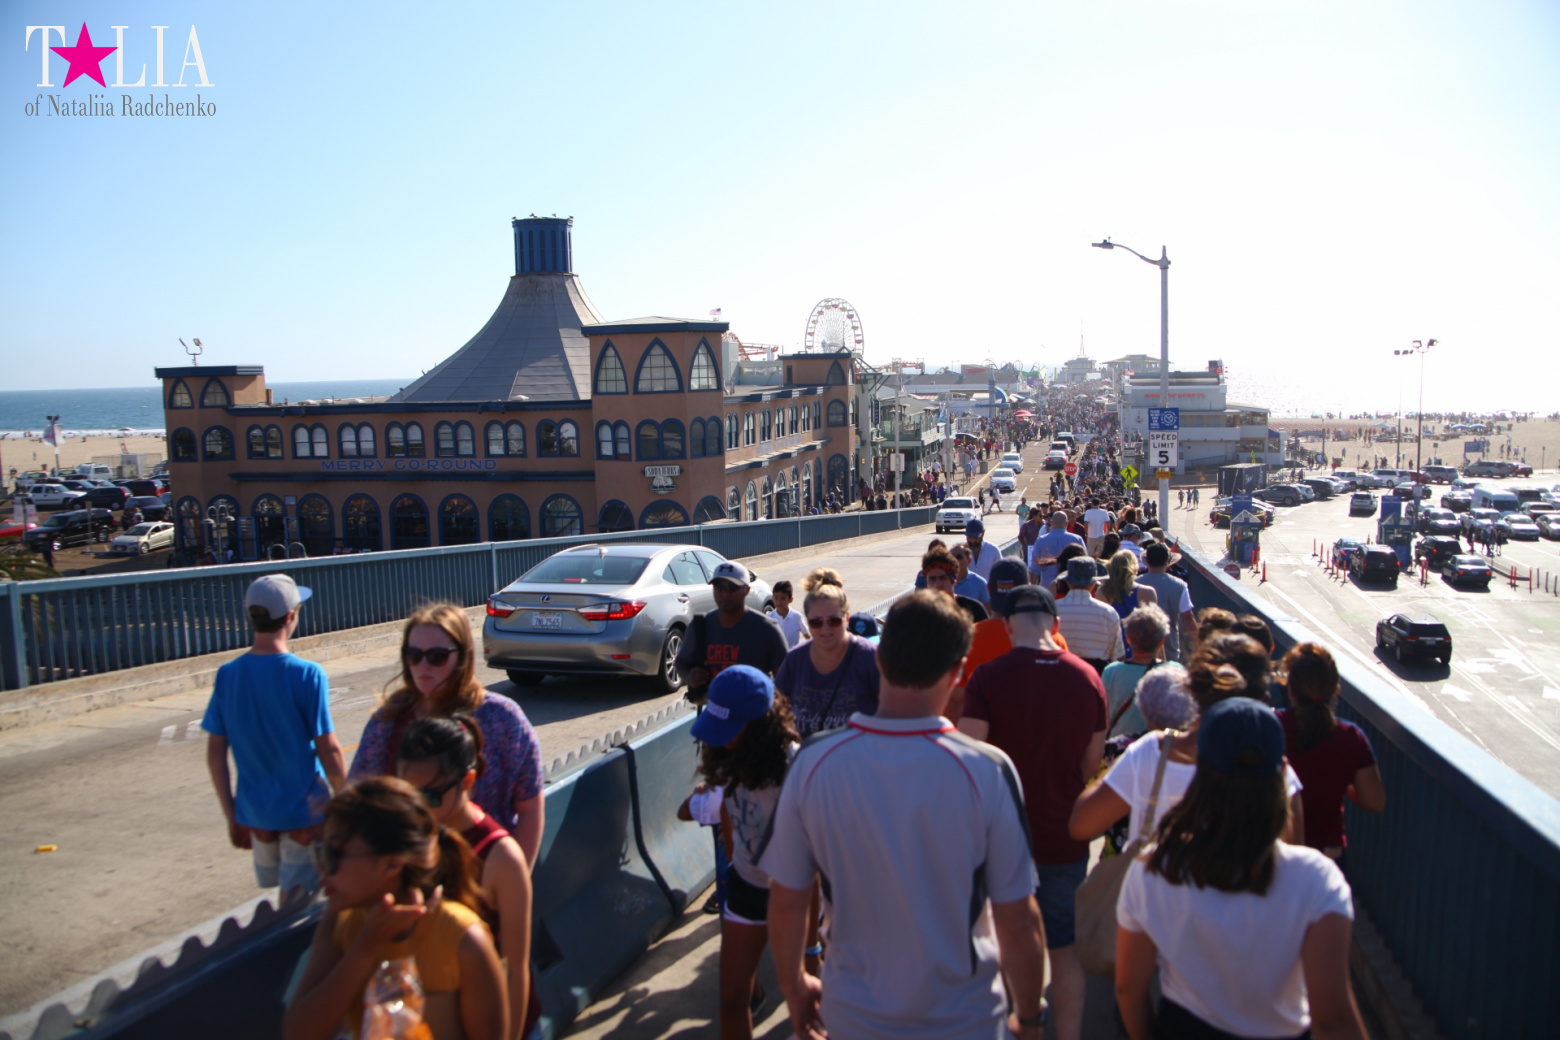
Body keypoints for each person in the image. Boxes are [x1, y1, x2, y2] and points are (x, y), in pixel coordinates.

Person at [759, 591, 1049, 1040]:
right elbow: (1018, 919)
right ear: (957, 675)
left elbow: (787, 899)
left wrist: (794, 986)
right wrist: (1029, 1018)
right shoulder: (987, 771)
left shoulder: (813, 764)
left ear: (880, 662)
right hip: (966, 1021)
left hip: (852, 1016)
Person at [1115, 699, 1369, 1040]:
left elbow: (1129, 988)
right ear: (1281, 772)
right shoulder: (1316, 880)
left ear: (1200, 770)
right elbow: (1332, 1020)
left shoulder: (1155, 865)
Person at [959, 585, 1106, 1040]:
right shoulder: (1087, 679)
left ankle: (1016, 1027)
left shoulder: (988, 677)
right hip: (1065, 834)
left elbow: (970, 759)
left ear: (1007, 626)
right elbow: (1090, 765)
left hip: (1001, 838)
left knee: (1007, 944)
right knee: (1063, 949)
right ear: (1055, 624)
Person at [284, 777, 509, 1040]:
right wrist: (366, 946)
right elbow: (299, 1033)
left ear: (391, 864)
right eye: (320, 852)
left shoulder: (463, 939)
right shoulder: (339, 923)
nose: (320, 867)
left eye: (333, 855)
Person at [349, 602, 545, 868]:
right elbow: (358, 800)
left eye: (437, 656)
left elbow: (530, 808)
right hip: (406, 882)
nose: (423, 666)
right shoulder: (387, 722)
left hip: (481, 875)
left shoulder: (503, 720)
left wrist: (514, 880)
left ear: (462, 657)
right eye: (414, 655)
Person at [1071, 635, 1307, 851]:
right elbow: (1295, 854)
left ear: (1193, 693)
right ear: (1263, 697)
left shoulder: (1153, 752)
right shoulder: (1279, 771)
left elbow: (1081, 824)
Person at [204, 574, 346, 898]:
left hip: (256, 817)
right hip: (305, 817)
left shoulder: (228, 675)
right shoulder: (306, 674)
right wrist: (347, 803)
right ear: (291, 616)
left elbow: (215, 754)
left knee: (278, 899)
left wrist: (232, 814)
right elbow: (329, 750)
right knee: (297, 911)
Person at [679, 666, 800, 1040]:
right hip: (747, 889)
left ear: (762, 724)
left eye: (731, 730)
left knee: (811, 998)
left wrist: (812, 946)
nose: (723, 742)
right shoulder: (728, 767)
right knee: (733, 997)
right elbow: (687, 811)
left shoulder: (801, 770)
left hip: (798, 896)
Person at [397, 716, 536, 1040]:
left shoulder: (501, 857)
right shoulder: (404, 842)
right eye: (408, 795)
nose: (419, 808)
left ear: (467, 781)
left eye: (430, 797)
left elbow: (515, 970)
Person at [1277, 643, 1386, 860]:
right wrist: (1342, 779)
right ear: (1335, 689)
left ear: (1290, 688)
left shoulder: (1270, 726)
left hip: (1277, 855)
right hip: (1327, 856)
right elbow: (1375, 801)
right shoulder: (1351, 737)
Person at [775, 568, 881, 737]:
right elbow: (776, 718)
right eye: (816, 622)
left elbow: (898, 719)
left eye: (833, 620)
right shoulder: (795, 661)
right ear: (807, 622)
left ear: (846, 619)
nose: (825, 628)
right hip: (809, 761)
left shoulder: (871, 659)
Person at [676, 560, 789, 701]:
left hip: (755, 717)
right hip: (715, 713)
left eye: (732, 587)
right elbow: (680, 662)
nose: (725, 594)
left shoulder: (767, 629)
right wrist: (689, 676)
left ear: (746, 590)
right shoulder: (700, 626)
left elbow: (785, 683)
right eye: (719, 586)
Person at [1101, 605, 1171, 738]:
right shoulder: (1175, 671)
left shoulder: (1111, 672)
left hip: (1119, 752)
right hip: (1162, 751)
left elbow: (1101, 718)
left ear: (1128, 638)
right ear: (1161, 642)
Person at [1056, 557, 1124, 672]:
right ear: (1093, 583)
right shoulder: (1107, 612)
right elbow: (1118, 656)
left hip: (1060, 672)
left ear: (1068, 582)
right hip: (1096, 673)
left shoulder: (1053, 609)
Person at [1137, 542, 1197, 662]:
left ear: (1147, 561)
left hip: (1138, 647)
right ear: (1167, 562)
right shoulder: (1179, 585)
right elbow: (1188, 618)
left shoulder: (1135, 583)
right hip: (1170, 647)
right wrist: (1198, 645)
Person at [922, 544, 989, 622]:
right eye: (932, 579)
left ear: (954, 578)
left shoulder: (973, 609)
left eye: (943, 578)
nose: (938, 584)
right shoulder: (918, 614)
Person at [1095, 550, 1159, 622]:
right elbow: (1152, 626)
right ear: (1134, 568)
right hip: (1134, 633)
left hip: (1110, 633)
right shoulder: (1147, 593)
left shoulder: (1102, 591)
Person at [1029, 510, 1085, 589]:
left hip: (1047, 587)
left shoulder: (1041, 540)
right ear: (1066, 523)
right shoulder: (1077, 539)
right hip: (1071, 587)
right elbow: (1084, 564)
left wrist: (1033, 590)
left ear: (1051, 522)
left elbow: (1034, 569)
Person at [765, 580, 808, 649]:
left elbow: (807, 636)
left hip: (793, 658)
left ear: (790, 599)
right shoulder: (769, 618)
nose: (779, 602)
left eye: (783, 598)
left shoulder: (797, 617)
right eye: (776, 598)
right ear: (772, 598)